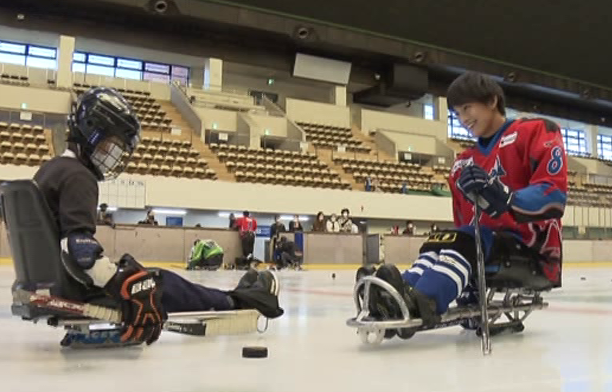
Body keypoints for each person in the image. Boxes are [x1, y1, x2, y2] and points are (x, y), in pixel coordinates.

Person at [33, 87, 283, 346]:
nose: (111, 156)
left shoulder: (50, 170)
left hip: (56, 284)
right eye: (111, 146)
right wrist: (121, 282)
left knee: (143, 277)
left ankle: (231, 297)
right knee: (157, 282)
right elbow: (79, 252)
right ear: (90, 131)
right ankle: (237, 302)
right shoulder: (78, 176)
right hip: (76, 288)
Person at [364, 72, 567, 333]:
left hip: (531, 249)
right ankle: (396, 292)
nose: (463, 119)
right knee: (441, 241)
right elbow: (463, 223)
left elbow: (554, 195)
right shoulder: (463, 163)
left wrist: (506, 197)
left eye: (467, 107)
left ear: (492, 101)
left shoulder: (535, 131)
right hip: (482, 242)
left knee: (467, 238)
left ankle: (422, 299)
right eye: (457, 113)